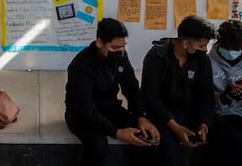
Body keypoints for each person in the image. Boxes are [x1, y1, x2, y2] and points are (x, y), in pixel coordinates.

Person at [141, 15, 242, 166]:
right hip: (162, 115)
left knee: (233, 138)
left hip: (191, 113)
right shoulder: (157, 56)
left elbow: (205, 96)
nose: (205, 50)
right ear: (186, 44)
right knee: (170, 150)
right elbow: (151, 99)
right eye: (201, 46)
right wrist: (176, 128)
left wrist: (204, 123)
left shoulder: (201, 59)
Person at [65, 18, 160, 166]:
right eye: (114, 48)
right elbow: (85, 109)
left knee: (147, 136)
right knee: (99, 148)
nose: (120, 52)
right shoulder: (82, 64)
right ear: (99, 42)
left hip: (110, 108)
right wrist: (117, 132)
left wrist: (141, 116)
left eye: (123, 47)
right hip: (81, 115)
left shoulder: (121, 55)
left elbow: (131, 88)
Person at [209, 19, 242, 130]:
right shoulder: (207, 62)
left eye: (237, 48)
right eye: (228, 48)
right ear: (220, 42)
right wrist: (224, 96)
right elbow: (202, 99)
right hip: (219, 115)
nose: (232, 51)